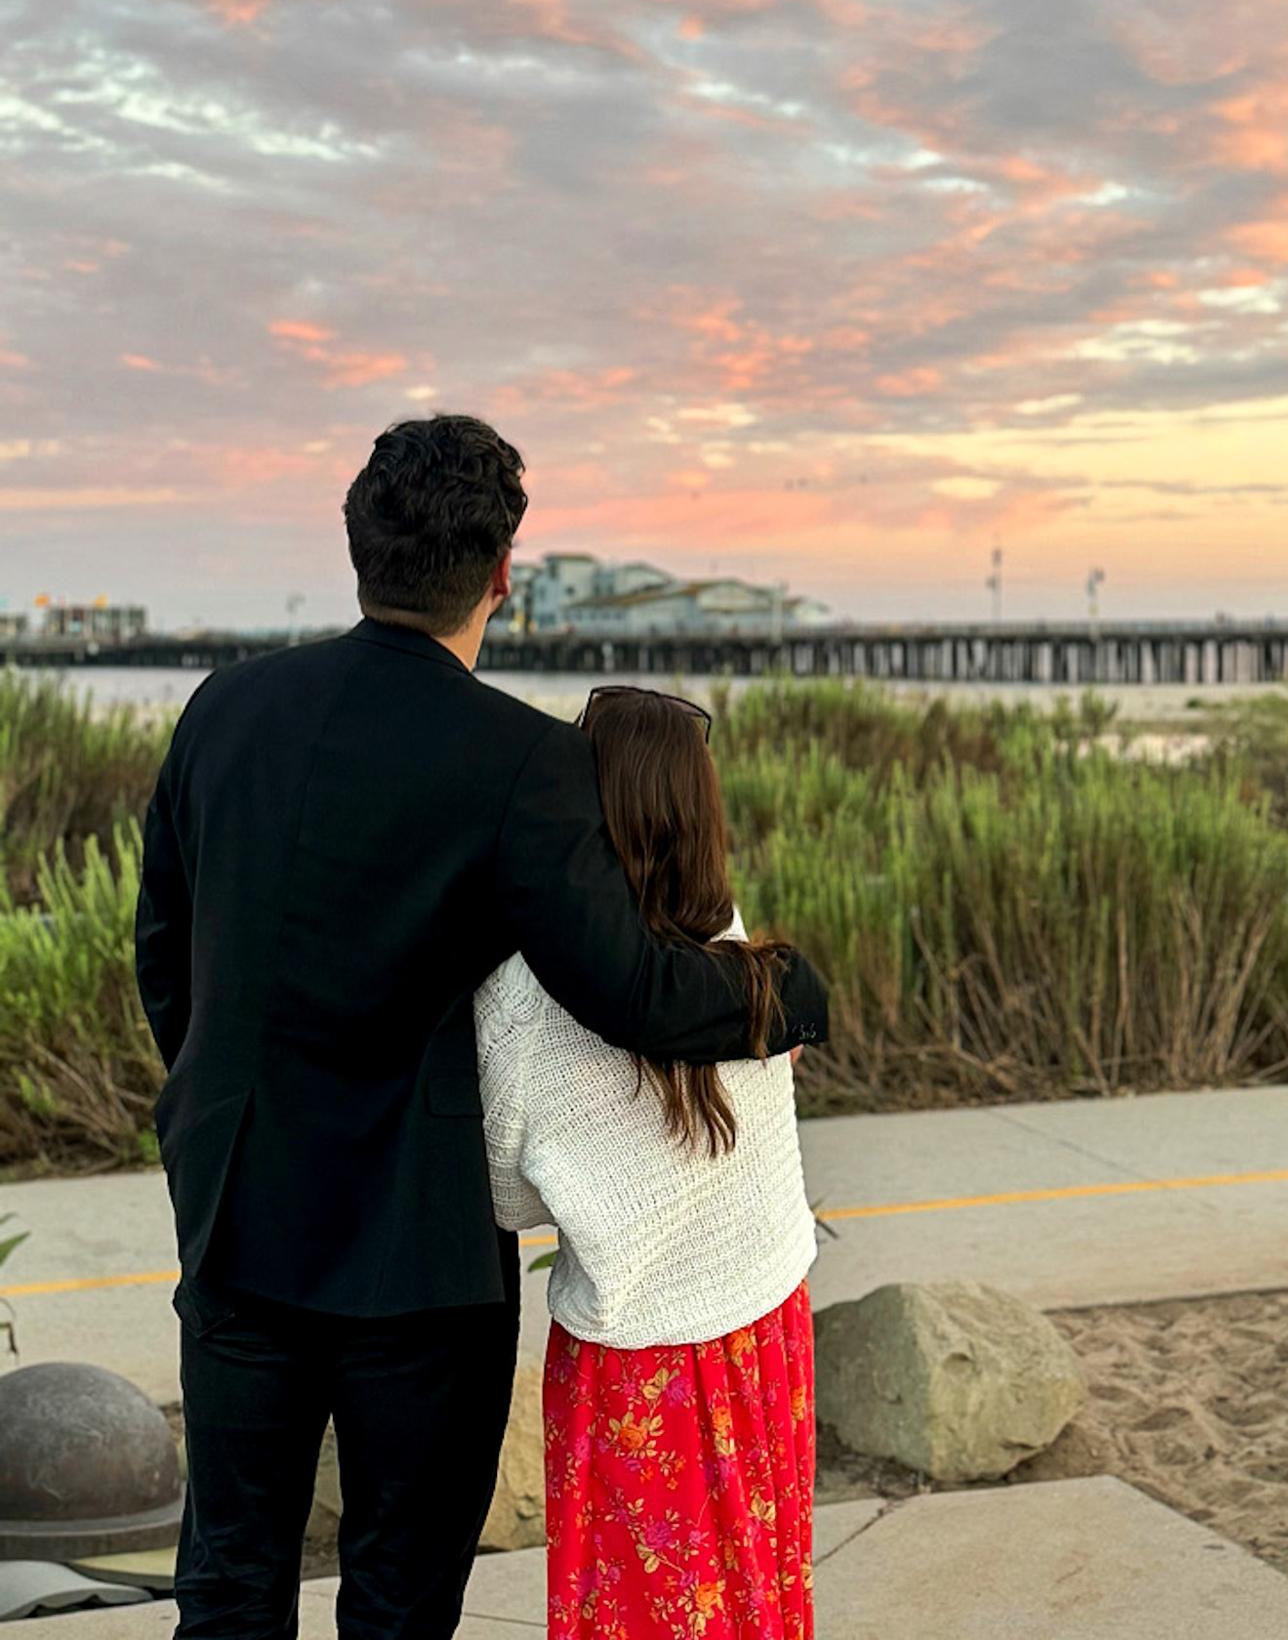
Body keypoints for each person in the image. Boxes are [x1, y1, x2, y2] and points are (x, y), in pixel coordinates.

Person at [134, 415, 828, 1640]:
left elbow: (165, 962)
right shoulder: (525, 759)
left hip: (239, 1215)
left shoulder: (222, 710)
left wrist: (218, 1110)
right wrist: (786, 994)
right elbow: (629, 991)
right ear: (503, 573)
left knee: (229, 1580)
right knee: (400, 1598)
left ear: (357, 547)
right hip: (419, 1253)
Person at [476, 686, 817, 1640]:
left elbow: (506, 1196)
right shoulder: (732, 940)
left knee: (637, 1614)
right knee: (757, 1594)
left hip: (640, 1353)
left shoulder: (519, 991)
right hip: (767, 1323)